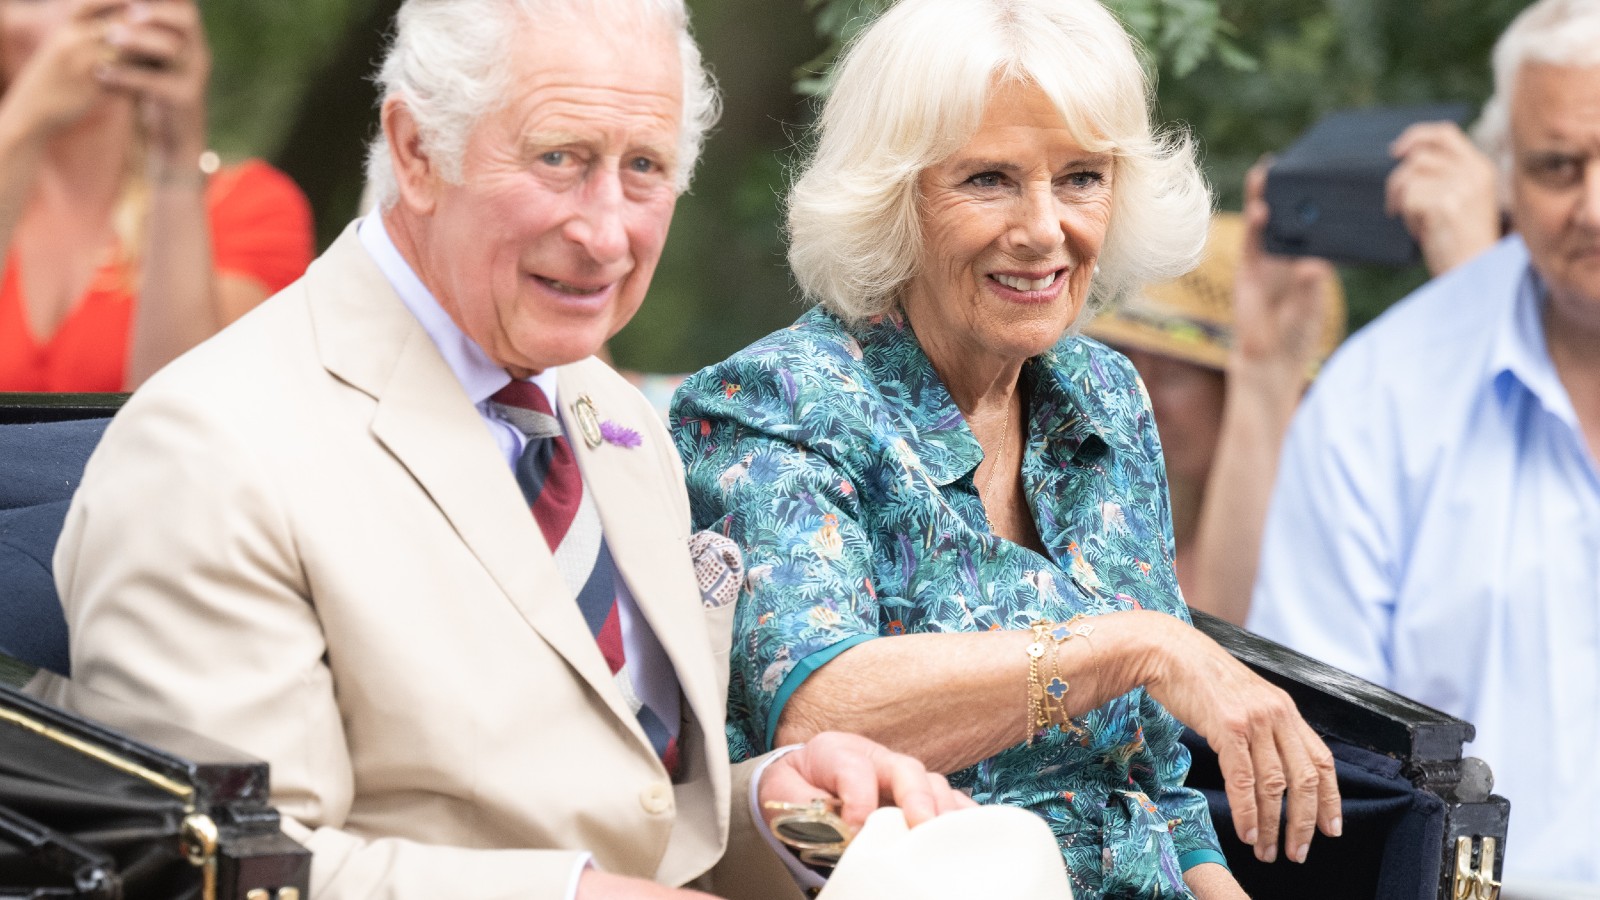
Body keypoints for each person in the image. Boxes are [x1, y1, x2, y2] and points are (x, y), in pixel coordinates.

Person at [37, 1, 979, 898]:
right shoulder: (211, 449)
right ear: (415, 152)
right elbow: (239, 873)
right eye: (559, 158)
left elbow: (628, 824)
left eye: (644, 167)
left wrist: (778, 807)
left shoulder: (609, 414)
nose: (607, 232)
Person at [670, 1, 1343, 897]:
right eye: (988, 179)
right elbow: (822, 710)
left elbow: (1152, 791)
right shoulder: (780, 403)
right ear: (893, 195)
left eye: (1080, 178)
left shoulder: (1104, 395)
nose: (1043, 229)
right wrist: (1134, 645)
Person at [1249, 0, 1600, 890]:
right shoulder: (1381, 398)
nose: (1595, 208)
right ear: (1507, 178)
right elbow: (1328, 754)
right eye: (1561, 167)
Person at [0, 0, 311, 392]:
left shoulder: (246, 206)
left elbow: (186, 420)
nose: (69, 20)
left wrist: (177, 155)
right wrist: (20, 126)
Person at [1082, 206, 1344, 623]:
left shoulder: (1324, 554)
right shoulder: (1127, 520)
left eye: (1171, 376)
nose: (1137, 398)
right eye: (1125, 363)